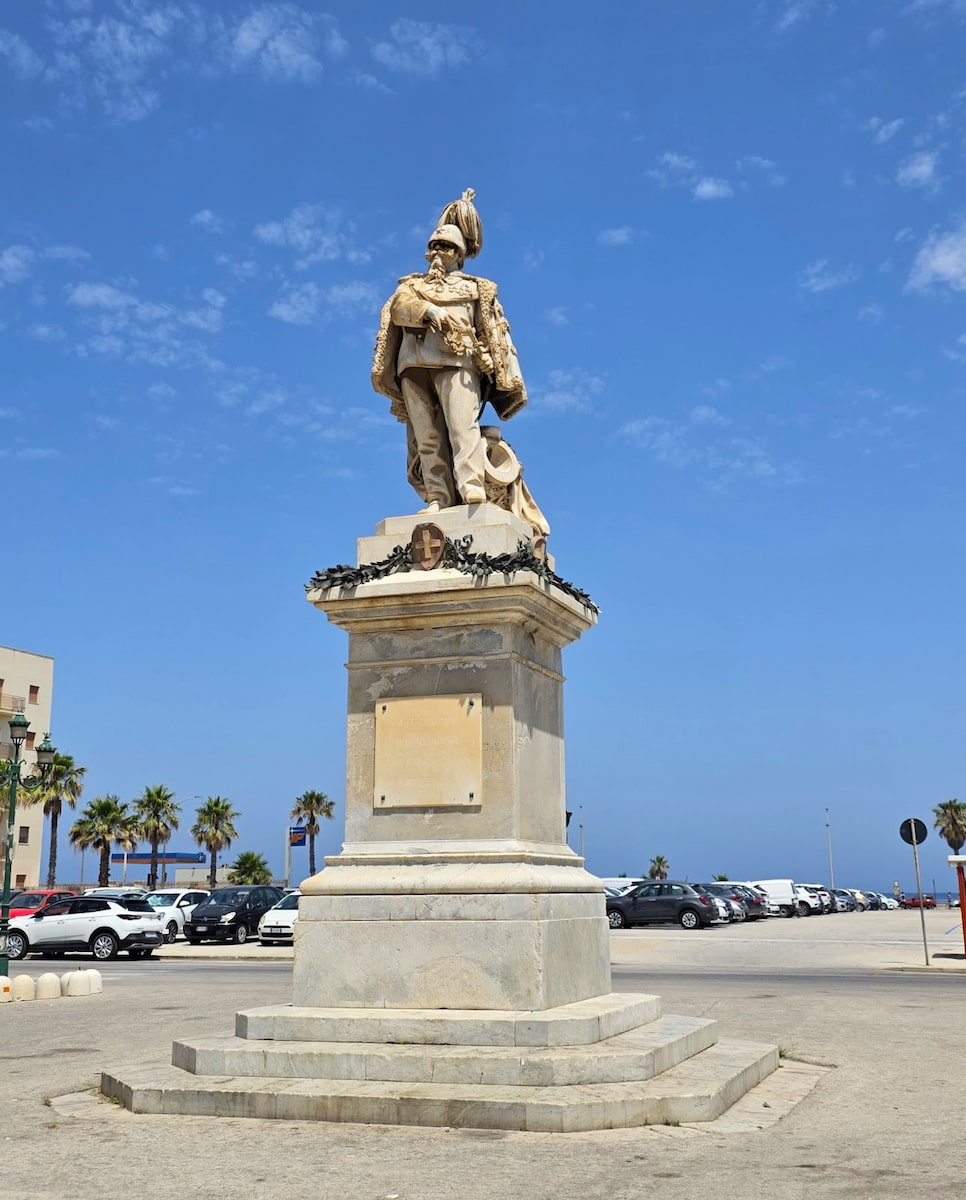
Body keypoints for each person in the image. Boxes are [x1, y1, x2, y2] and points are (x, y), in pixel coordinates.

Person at [372, 192, 526, 513]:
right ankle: (437, 496)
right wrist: (429, 312)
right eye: (434, 247)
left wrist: (491, 362)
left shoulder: (475, 288)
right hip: (413, 366)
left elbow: (491, 332)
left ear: (460, 254)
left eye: (446, 247)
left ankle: (471, 489)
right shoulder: (412, 286)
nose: (438, 253)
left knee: (461, 429)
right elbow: (399, 309)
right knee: (427, 438)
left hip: (459, 364)